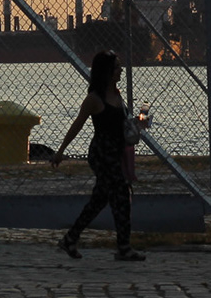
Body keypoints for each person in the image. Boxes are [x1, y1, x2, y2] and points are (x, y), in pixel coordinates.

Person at [50, 50, 145, 262]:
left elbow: (120, 124)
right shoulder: (94, 99)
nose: (121, 70)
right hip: (102, 153)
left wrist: (138, 125)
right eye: (117, 67)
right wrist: (60, 151)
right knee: (121, 194)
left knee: (100, 199)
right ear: (107, 71)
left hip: (117, 151)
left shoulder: (118, 95)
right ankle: (124, 247)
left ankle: (70, 238)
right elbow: (77, 125)